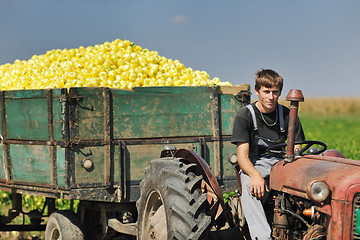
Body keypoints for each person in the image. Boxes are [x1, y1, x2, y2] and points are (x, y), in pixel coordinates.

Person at [231, 69, 305, 240]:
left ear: (279, 92)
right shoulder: (245, 115)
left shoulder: (288, 114)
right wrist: (255, 175)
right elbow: (242, 156)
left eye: (275, 92)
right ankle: (263, 237)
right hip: (256, 164)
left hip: (284, 162)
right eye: (266, 92)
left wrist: (296, 157)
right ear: (257, 91)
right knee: (251, 187)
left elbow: (297, 146)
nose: (271, 97)